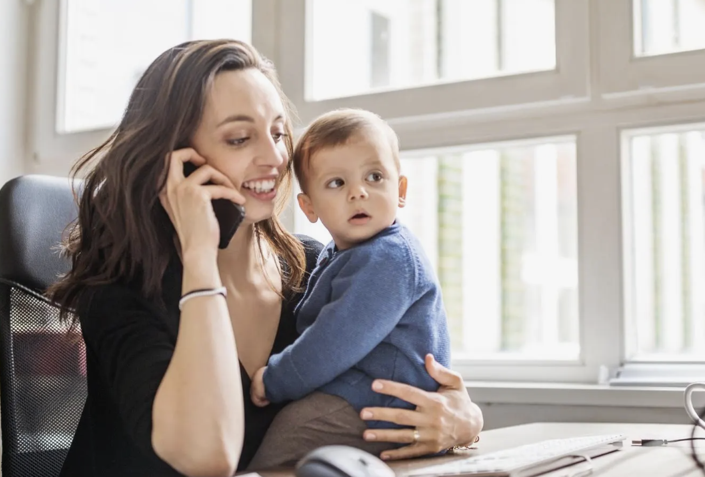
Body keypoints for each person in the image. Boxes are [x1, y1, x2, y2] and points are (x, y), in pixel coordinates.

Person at [48, 39, 484, 477]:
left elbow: (400, 383)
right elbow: (207, 457)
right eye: (239, 138)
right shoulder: (121, 289)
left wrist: (463, 419)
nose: (276, 158)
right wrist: (199, 257)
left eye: (278, 133)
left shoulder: (315, 268)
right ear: (173, 164)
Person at [247, 109, 451, 469]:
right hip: (365, 398)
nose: (358, 192)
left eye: (374, 177)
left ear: (400, 190)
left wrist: (275, 380)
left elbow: (333, 340)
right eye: (336, 183)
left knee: (283, 444)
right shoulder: (340, 253)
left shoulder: (388, 258)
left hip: (379, 404)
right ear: (309, 206)